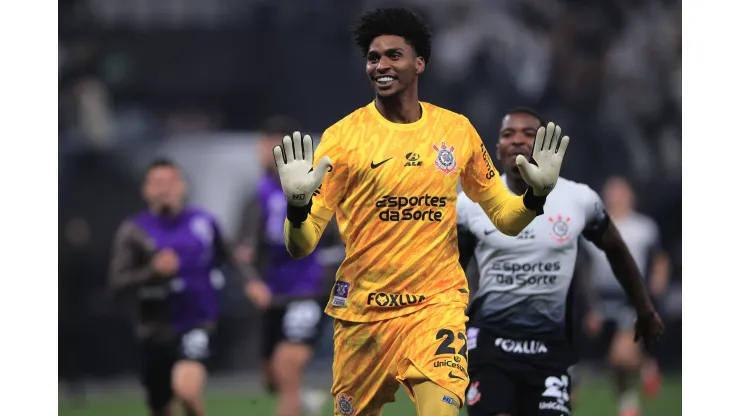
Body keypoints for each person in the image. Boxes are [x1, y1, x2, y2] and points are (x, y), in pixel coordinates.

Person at [270, 8, 571, 416]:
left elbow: (504, 216)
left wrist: (534, 197)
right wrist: (298, 207)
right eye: (374, 57)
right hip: (364, 317)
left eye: (394, 55)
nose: (381, 65)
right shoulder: (342, 140)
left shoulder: (456, 131)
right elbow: (301, 245)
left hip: (435, 308)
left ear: (419, 63)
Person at [456, 107, 665, 416]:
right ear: (497, 148)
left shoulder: (579, 200)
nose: (517, 141)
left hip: (549, 350)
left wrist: (645, 309)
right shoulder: (471, 203)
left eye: (529, 134)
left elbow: (617, 252)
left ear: (546, 146)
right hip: (490, 345)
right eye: (508, 135)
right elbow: (450, 266)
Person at [109, 158, 262, 416]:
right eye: (157, 183)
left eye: (170, 181)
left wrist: (252, 282)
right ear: (146, 190)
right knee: (160, 406)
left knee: (187, 390)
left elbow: (231, 256)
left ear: (182, 186)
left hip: (197, 321)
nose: (164, 189)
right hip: (154, 328)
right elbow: (117, 284)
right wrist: (152, 271)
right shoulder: (134, 231)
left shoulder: (203, 222)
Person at [235, 115, 342, 416]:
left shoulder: (315, 185)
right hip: (273, 293)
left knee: (287, 366)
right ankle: (304, 403)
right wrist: (250, 279)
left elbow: (336, 240)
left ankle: (294, 399)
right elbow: (244, 247)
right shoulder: (257, 194)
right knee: (272, 379)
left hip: (307, 291)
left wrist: (328, 282)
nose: (261, 151)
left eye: (268, 144)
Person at [580, 176, 670, 416]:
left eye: (620, 192)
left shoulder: (644, 227)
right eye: (610, 193)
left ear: (631, 196)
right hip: (601, 299)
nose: (615, 198)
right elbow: (585, 269)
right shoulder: (592, 227)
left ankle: (629, 400)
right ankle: (638, 381)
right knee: (606, 360)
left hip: (632, 297)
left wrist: (651, 299)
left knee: (621, 356)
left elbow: (659, 262)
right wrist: (589, 307)